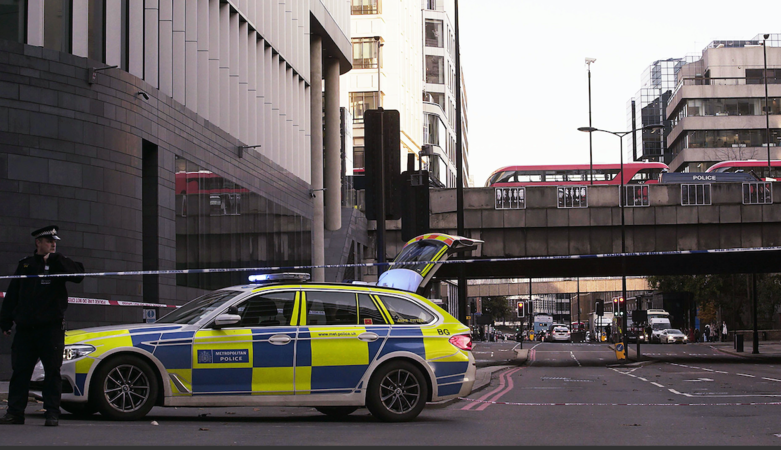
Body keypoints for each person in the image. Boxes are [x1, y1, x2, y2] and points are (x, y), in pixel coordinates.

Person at [0, 226, 84, 427]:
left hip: (51, 329)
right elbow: (13, 294)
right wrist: (6, 321)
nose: (53, 244)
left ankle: (52, 413)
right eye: (48, 240)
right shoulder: (26, 265)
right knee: (20, 372)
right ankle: (15, 413)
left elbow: (79, 275)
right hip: (26, 330)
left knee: (52, 371)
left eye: (54, 241)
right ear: (38, 242)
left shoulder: (59, 264)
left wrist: (56, 259)